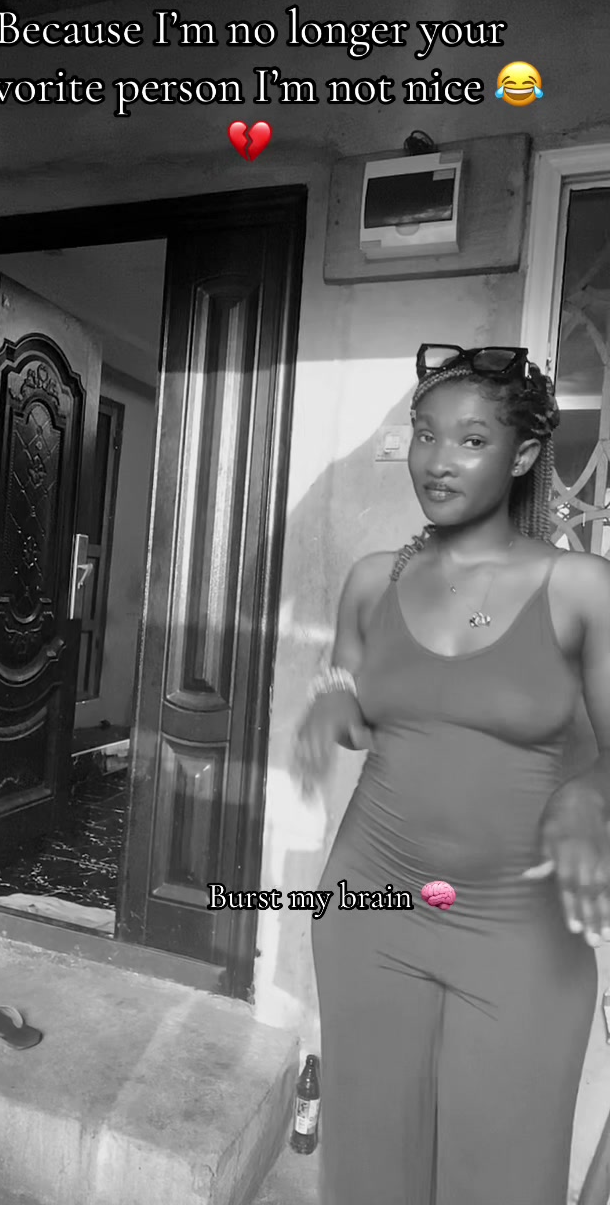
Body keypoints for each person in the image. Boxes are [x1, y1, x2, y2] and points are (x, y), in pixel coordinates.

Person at [294, 344, 610, 1205]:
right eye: (426, 434)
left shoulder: (580, 588)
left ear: (524, 454)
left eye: (472, 440)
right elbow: (349, 693)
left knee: (501, 1174)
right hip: (370, 907)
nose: (438, 459)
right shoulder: (372, 582)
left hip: (518, 926)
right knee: (372, 1166)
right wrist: (332, 705)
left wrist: (591, 792)